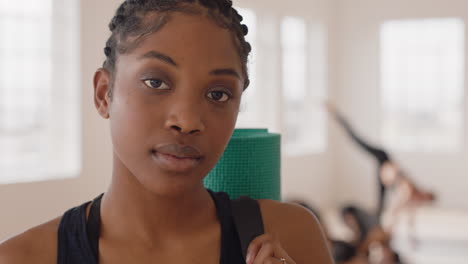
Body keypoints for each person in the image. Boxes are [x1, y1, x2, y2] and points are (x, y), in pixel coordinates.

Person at [0, 1, 334, 263]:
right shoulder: (24, 258)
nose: (187, 120)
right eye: (155, 82)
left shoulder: (291, 236)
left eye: (218, 94)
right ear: (104, 94)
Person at [325, 102, 435, 223]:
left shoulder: (413, 195)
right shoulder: (409, 190)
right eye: (425, 200)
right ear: (425, 196)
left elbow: (409, 214)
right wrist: (389, 173)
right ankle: (337, 115)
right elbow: (396, 209)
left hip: (385, 174)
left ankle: (376, 224)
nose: (423, 203)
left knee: (380, 204)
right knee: (356, 140)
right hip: (384, 162)